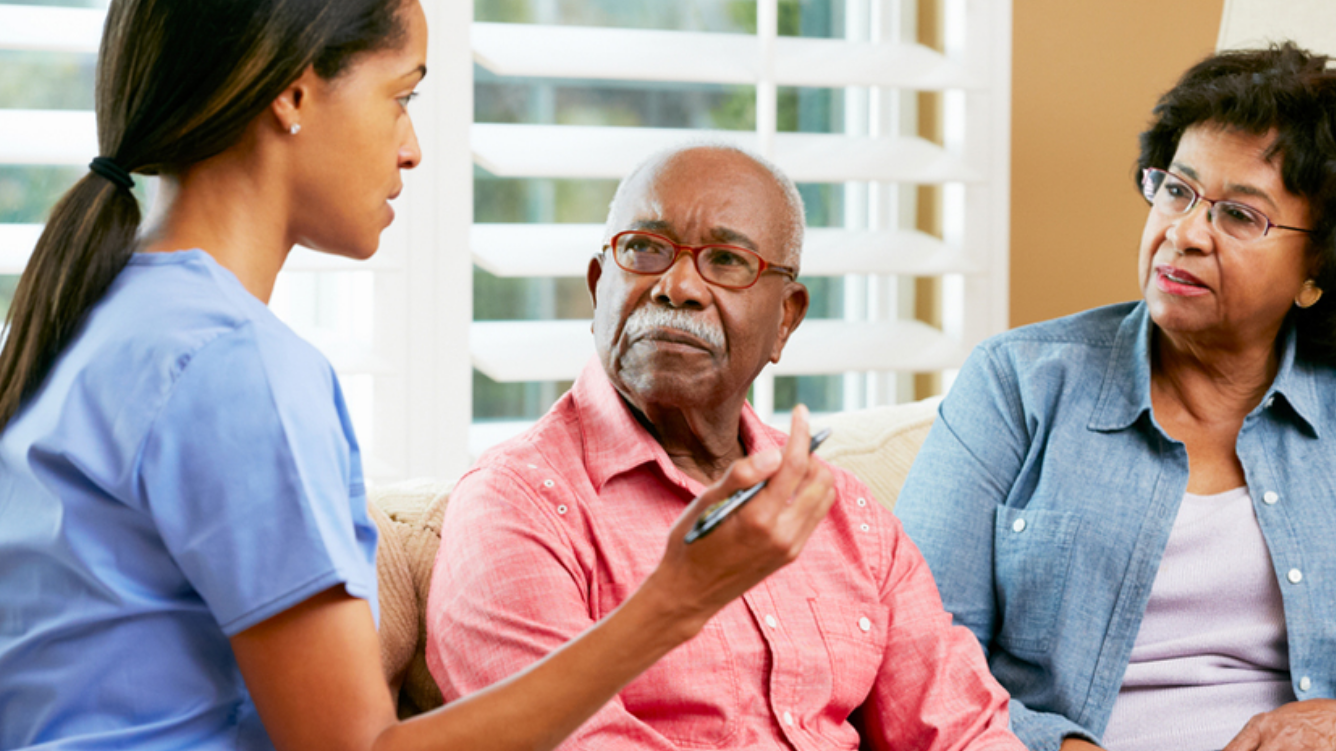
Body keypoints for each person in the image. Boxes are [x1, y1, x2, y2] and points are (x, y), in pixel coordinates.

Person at [0, 2, 836, 749]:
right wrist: (677, 601)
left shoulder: (94, 317)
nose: (413, 149)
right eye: (402, 97)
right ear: (292, 95)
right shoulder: (237, 365)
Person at [894, 43, 1336, 751]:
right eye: (1177, 190)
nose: (1183, 233)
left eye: (1239, 215)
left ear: (1319, 266)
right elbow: (914, 658)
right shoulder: (1017, 384)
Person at [425, 143, 1027, 751]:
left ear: (786, 319)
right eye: (645, 249)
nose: (677, 286)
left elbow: (963, 728)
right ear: (597, 285)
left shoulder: (849, 515)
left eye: (726, 260)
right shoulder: (516, 504)